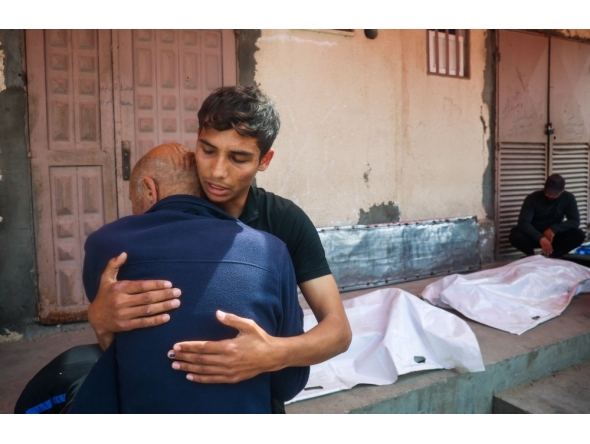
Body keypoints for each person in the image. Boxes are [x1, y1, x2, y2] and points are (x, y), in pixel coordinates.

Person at [87, 86, 352, 409]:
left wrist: (271, 353)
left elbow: (338, 331)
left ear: (265, 160)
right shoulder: (171, 202)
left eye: (238, 158)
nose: (216, 172)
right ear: (196, 139)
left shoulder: (285, 223)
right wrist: (99, 316)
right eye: (208, 150)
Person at [67, 142, 309, 413]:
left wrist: (97, 317)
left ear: (149, 190)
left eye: (134, 200)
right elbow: (290, 384)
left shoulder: (106, 245)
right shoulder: (271, 250)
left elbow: (110, 339)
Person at [509, 173, 586, 258]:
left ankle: (555, 255)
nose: (550, 195)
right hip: (534, 234)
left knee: (579, 234)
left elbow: (575, 221)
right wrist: (540, 237)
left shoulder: (568, 198)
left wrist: (554, 229)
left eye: (554, 193)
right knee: (515, 235)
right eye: (548, 192)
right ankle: (531, 256)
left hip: (555, 235)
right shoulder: (532, 198)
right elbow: (523, 222)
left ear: (562, 190)